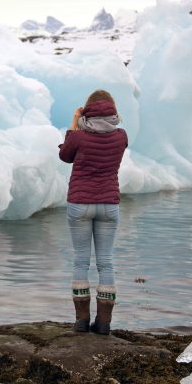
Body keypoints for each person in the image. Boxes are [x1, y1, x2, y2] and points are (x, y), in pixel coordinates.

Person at [58, 89, 128, 335]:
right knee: (106, 262)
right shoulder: (122, 136)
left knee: (80, 260)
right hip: (109, 204)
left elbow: (65, 155)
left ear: (87, 109)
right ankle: (104, 323)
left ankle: (81, 321)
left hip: (80, 203)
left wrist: (74, 123)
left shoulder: (80, 137)